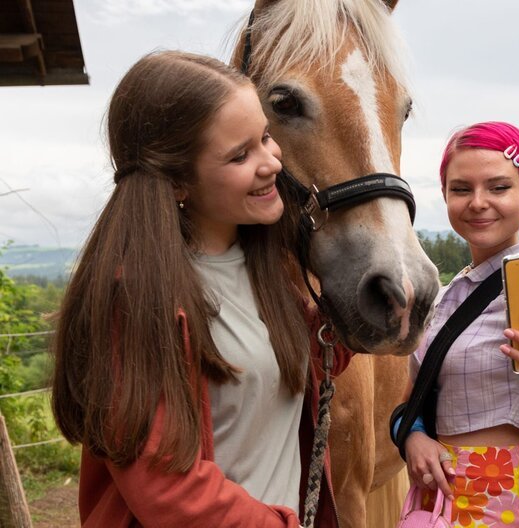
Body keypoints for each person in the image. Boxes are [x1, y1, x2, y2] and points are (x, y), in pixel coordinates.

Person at [50, 51, 350, 527]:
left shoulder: (265, 268)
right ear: (177, 183)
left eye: (265, 137)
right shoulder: (138, 300)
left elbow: (283, 371)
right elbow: (169, 487)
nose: (272, 161)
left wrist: (357, 308)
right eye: (240, 155)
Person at [393, 121, 519, 527]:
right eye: (461, 189)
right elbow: (407, 403)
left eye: (499, 187)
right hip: (436, 495)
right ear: (445, 196)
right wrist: (412, 436)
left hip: (500, 496)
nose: (478, 202)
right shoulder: (444, 298)